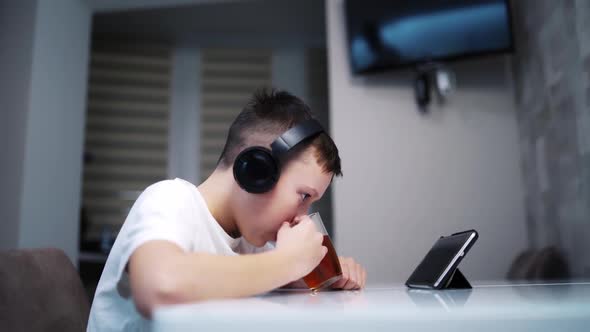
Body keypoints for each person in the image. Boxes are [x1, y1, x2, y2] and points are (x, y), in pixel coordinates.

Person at [87, 88, 367, 331]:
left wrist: (312, 276)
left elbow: (250, 277)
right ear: (257, 169)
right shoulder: (170, 199)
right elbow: (160, 287)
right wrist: (288, 261)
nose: (302, 216)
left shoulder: (250, 242)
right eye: (304, 195)